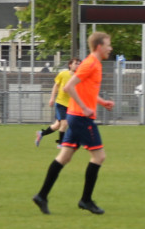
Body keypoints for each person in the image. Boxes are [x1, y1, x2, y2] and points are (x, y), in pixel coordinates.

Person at [32, 32, 114, 215]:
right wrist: (85, 108)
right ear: (99, 46)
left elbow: (86, 90)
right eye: (108, 45)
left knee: (64, 157)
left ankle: (41, 196)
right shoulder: (90, 63)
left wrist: (101, 102)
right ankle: (86, 200)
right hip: (81, 118)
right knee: (99, 157)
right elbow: (69, 87)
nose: (111, 48)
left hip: (75, 117)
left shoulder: (94, 64)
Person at [35, 57, 80, 147]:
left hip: (70, 105)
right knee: (64, 123)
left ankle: (41, 134)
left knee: (57, 125)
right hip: (60, 103)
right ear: (70, 65)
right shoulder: (63, 74)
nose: (78, 65)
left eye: (79, 64)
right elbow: (56, 86)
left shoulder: (78, 77)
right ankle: (61, 144)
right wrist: (52, 98)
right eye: (76, 63)